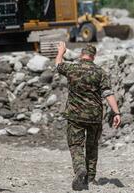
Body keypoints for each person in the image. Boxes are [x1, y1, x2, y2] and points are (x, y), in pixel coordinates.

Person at [54, 42, 121, 191]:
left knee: (76, 145)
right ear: (93, 56)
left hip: (75, 115)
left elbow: (58, 65)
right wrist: (116, 112)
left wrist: (61, 52)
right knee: (92, 146)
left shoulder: (72, 68)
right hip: (94, 116)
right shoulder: (100, 72)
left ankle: (79, 169)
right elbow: (107, 93)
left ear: (81, 54)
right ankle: (91, 178)